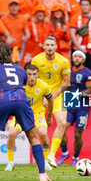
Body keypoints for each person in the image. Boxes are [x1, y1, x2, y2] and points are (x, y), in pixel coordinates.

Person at [0, 43, 51, 181]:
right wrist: (18, 117)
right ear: (10, 55)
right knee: (33, 137)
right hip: (21, 101)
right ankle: (42, 174)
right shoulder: (21, 70)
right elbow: (23, 94)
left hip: (2, 100)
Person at [5, 64, 54, 171]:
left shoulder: (44, 86)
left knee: (43, 133)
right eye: (29, 74)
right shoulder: (19, 85)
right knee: (11, 133)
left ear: (38, 75)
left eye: (34, 74)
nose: (32, 77)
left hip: (38, 114)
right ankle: (10, 162)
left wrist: (49, 116)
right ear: (25, 74)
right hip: (21, 114)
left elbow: (51, 100)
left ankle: (45, 161)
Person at [31, 36, 71, 167]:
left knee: (62, 123)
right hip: (40, 98)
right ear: (43, 46)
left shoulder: (63, 61)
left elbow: (66, 83)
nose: (49, 47)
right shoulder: (36, 60)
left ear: (55, 47)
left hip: (57, 96)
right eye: (47, 45)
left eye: (51, 45)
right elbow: (32, 80)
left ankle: (51, 155)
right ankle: (41, 157)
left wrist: (51, 96)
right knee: (40, 130)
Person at [57, 51, 91, 166]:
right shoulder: (67, 71)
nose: (77, 58)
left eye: (79, 57)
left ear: (83, 60)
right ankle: (64, 153)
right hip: (69, 104)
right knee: (61, 127)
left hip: (82, 106)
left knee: (78, 134)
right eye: (75, 56)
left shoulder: (87, 72)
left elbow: (89, 90)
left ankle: (76, 157)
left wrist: (76, 95)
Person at [70, 0, 91, 76]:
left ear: (90, 6)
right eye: (83, 5)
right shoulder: (75, 18)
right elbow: (72, 33)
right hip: (78, 49)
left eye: (86, 5)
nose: (84, 7)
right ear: (80, 6)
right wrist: (78, 47)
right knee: (76, 72)